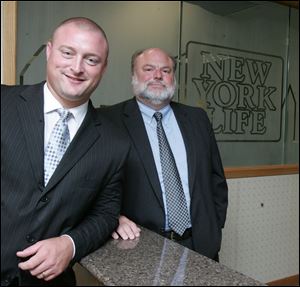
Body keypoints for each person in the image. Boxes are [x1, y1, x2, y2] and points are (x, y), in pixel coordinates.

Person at [1, 17, 130, 286]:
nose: (77, 67)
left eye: (91, 60)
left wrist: (70, 244)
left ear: (103, 68)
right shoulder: (4, 103)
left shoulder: (115, 142)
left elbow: (105, 214)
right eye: (68, 52)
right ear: (49, 51)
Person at [102, 48, 228, 261]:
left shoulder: (197, 119)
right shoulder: (108, 121)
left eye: (166, 70)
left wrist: (214, 227)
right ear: (134, 76)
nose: (158, 76)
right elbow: (93, 184)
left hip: (200, 245)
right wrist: (115, 217)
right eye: (148, 69)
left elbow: (216, 179)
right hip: (140, 247)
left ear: (173, 77)